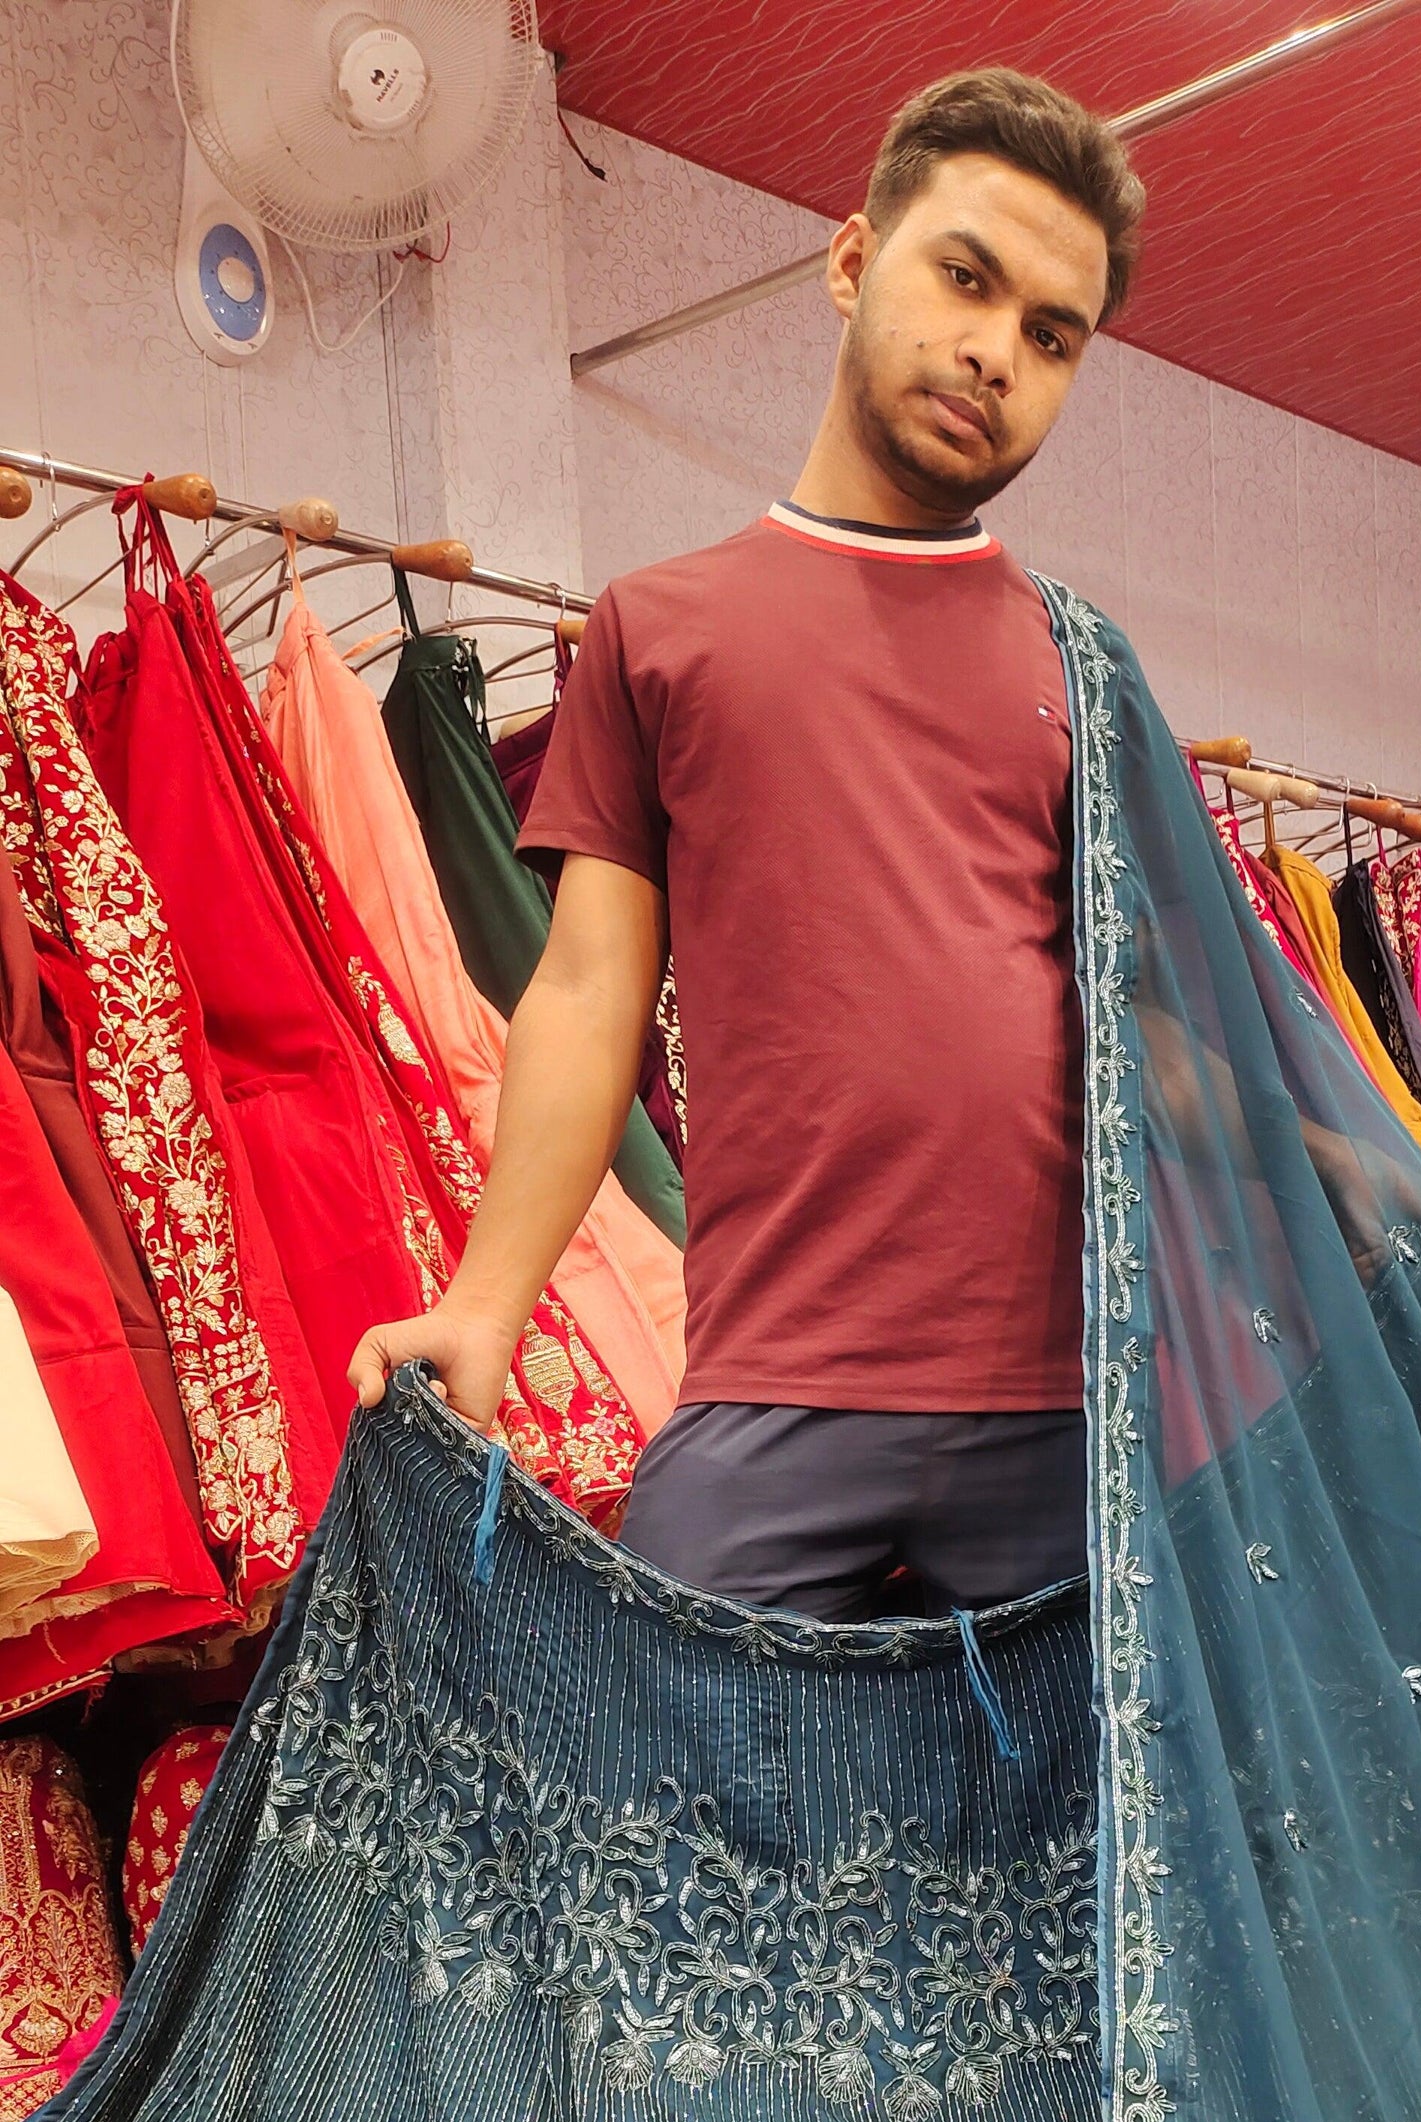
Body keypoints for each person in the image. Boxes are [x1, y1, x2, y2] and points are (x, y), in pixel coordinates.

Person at [349, 67, 1146, 1619]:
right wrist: (485, 1307)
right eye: (964, 277)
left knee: (1114, 1784)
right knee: (648, 1760)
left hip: (1063, 1414)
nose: (995, 352)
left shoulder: (1082, 667)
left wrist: (1365, 1197)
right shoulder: (660, 632)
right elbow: (588, 991)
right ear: (851, 261)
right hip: (771, 1387)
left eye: (1053, 336)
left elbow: (1162, 1018)